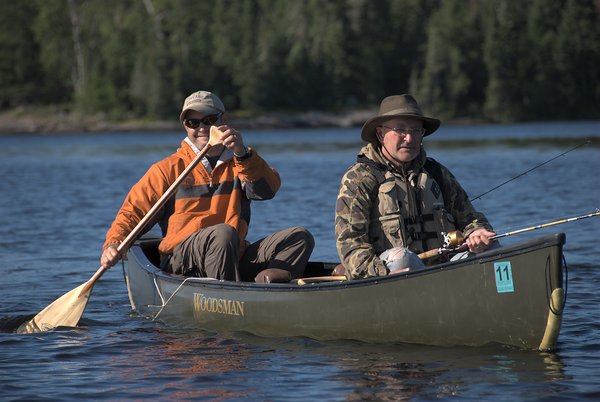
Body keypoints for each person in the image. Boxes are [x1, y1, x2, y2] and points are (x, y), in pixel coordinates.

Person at [101, 90, 314, 282]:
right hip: (183, 259)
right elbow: (132, 212)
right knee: (223, 233)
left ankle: (267, 285)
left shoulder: (242, 161)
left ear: (224, 120)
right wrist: (113, 244)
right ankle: (230, 297)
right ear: (185, 126)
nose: (202, 128)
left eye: (209, 120)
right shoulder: (167, 169)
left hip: (231, 253)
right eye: (193, 123)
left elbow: (267, 190)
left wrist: (243, 154)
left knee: (299, 236)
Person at [335, 94, 495, 279]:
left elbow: (470, 218)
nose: (409, 138)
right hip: (388, 274)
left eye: (416, 130)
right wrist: (381, 271)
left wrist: (477, 232)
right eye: (400, 130)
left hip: (443, 268)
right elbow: (350, 243)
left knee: (491, 247)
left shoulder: (436, 172)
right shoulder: (359, 178)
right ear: (380, 134)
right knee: (402, 258)